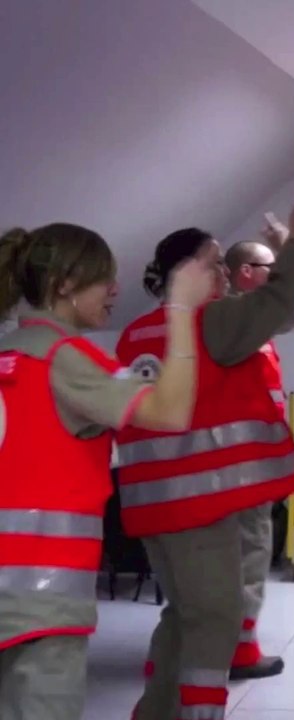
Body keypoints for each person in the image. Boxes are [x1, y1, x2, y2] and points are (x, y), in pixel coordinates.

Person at [114, 196, 294, 720]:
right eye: (213, 262)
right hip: (200, 504)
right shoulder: (210, 324)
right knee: (215, 618)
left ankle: (154, 711)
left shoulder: (134, 334)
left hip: (153, 506)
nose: (224, 273)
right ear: (187, 273)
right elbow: (277, 303)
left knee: (185, 614)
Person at [0, 223, 210, 719]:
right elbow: (171, 412)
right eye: (103, 279)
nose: (114, 290)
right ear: (64, 285)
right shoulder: (67, 358)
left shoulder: (11, 353)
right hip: (44, 599)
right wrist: (180, 310)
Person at [217, 220, 294, 681]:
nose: (276, 276)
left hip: (255, 460)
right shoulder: (237, 321)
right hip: (240, 463)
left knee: (246, 554)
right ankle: (238, 651)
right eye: (270, 267)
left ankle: (233, 644)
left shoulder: (248, 323)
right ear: (246, 271)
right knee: (246, 555)